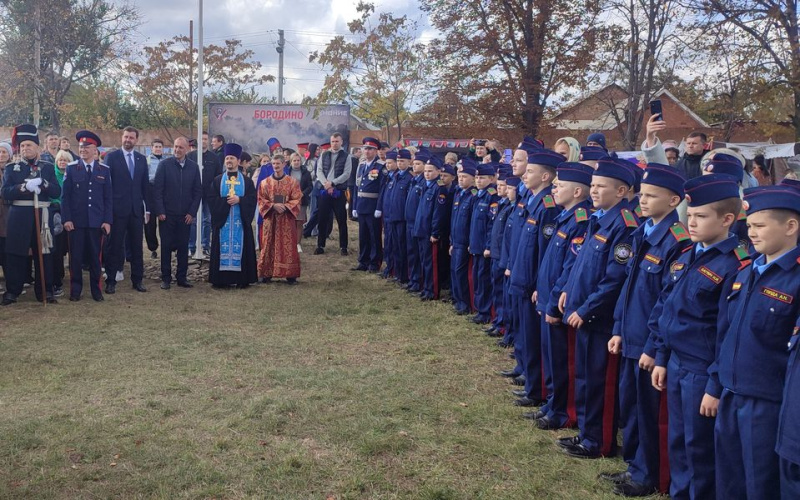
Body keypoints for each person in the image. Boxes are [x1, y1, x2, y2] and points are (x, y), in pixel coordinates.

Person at [646, 174, 747, 499]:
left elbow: (727, 334)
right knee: (678, 442)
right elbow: (667, 308)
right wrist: (662, 356)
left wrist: (714, 385)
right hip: (677, 363)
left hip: (702, 371)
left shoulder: (735, 265)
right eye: (689, 215)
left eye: (701, 216)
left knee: (699, 449)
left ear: (727, 220)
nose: (691, 222)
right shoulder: (688, 253)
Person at [603, 163, 689, 496]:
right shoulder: (643, 232)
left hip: (648, 342)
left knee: (649, 412)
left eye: (652, 196)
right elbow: (629, 289)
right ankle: (634, 465)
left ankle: (647, 474)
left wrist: (654, 347)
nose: (643, 200)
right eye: (642, 194)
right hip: (630, 334)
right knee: (632, 406)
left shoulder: (676, 242)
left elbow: (665, 302)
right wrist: (618, 328)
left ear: (673, 201)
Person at [712, 186, 800, 499]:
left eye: (760, 226)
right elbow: (725, 333)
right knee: (729, 478)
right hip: (730, 390)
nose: (751, 232)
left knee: (759, 483)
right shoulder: (746, 270)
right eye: (749, 225)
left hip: (766, 401)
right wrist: (715, 384)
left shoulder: (795, 279)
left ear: (790, 227)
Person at [558, 158, 639, 459]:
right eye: (592, 185)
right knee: (585, 379)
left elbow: (613, 279)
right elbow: (583, 265)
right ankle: (586, 433)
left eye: (600, 186)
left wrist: (586, 309)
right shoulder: (599, 218)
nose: (593, 191)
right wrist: (568, 290)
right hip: (583, 312)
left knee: (599, 383)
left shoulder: (624, 227)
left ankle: (599, 441)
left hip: (599, 319)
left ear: (621, 191)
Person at [534, 162, 593, 430]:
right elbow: (551, 261)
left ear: (578, 192)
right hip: (549, 296)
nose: (554, 189)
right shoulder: (565, 216)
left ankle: (564, 412)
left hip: (558, 302)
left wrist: (554, 303)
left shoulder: (580, 221)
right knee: (551, 357)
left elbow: (569, 269)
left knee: (562, 360)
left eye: (560, 185)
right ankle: (552, 403)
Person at [508, 150, 563, 408]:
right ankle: (529, 378)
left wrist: (538, 285)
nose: (524, 175)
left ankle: (536, 388)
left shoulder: (548, 207)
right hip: (523, 277)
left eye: (530, 171)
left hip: (532, 283)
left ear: (545, 177)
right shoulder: (533, 201)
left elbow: (544, 252)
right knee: (525, 333)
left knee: (533, 338)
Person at [1, 124, 61, 305]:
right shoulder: (12, 168)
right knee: (16, 253)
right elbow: (5, 192)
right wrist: (23, 187)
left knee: (44, 253)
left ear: (37, 147)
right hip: (19, 215)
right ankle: (13, 291)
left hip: (42, 215)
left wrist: (44, 184)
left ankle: (45, 290)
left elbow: (57, 191)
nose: (25, 148)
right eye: (22, 146)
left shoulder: (47, 167)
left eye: (29, 145)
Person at [61, 130, 113, 302]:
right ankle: (75, 290)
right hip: (76, 222)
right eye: (81, 147)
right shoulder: (71, 168)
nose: (82, 150)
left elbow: (108, 198)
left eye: (86, 147)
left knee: (95, 259)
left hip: (96, 222)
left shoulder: (104, 170)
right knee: (75, 258)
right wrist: (67, 219)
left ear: (95, 149)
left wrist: (107, 221)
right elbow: (65, 197)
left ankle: (96, 290)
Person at [103, 126, 150, 294]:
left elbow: (145, 186)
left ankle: (137, 281)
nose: (128, 140)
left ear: (136, 140)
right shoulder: (112, 157)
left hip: (136, 211)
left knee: (137, 247)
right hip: (117, 211)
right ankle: (111, 280)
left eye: (131, 137)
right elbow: (106, 186)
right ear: (121, 138)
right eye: (126, 137)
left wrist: (148, 210)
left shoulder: (141, 159)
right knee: (114, 247)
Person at [153, 137, 202, 289]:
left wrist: (192, 212)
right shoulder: (164, 165)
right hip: (167, 215)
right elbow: (157, 190)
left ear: (186, 149)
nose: (177, 150)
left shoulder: (193, 167)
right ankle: (166, 278)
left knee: (183, 248)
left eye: (181, 147)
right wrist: (160, 211)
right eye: (175, 147)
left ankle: (182, 277)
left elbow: (197, 192)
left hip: (185, 216)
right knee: (166, 247)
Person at [207, 143, 258, 288]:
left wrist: (240, 200)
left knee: (242, 247)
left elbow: (252, 199)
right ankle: (221, 281)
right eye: (227, 158)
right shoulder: (217, 180)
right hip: (223, 223)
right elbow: (211, 199)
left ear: (238, 161)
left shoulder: (247, 182)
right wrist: (225, 202)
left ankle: (242, 279)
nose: (229, 161)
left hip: (240, 223)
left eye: (232, 158)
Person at [258, 154, 302, 283]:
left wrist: (285, 206)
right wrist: (272, 205)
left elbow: (297, 198)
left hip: (286, 218)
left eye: (278, 163)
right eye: (273, 164)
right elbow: (261, 199)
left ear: (284, 164)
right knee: (268, 244)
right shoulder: (265, 183)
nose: (276, 166)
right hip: (270, 219)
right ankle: (266, 273)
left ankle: (290, 275)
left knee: (288, 245)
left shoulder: (292, 182)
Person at [414, 154, 449, 301]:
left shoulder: (439, 188)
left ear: (438, 171)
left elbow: (438, 214)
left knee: (431, 263)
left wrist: (435, 232)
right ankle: (425, 287)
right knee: (424, 261)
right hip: (421, 229)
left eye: (430, 171)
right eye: (426, 171)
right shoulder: (425, 185)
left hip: (430, 232)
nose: (427, 174)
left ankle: (432, 291)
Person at [314, 133, 352, 255]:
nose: (334, 143)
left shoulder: (346, 156)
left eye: (336, 141)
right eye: (332, 141)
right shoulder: (324, 154)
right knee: (322, 219)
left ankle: (343, 247)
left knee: (341, 220)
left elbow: (346, 174)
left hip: (339, 192)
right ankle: (320, 245)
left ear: (341, 142)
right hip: (325, 190)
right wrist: (326, 183)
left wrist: (333, 183)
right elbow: (319, 171)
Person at [450, 158, 478, 315]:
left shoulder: (473, 196)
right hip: (456, 239)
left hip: (465, 241)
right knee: (454, 270)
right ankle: (457, 299)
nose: (461, 179)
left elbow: (472, 223)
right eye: (459, 176)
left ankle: (465, 303)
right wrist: (452, 241)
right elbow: (454, 219)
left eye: (464, 177)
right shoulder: (458, 194)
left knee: (461, 272)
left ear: (473, 179)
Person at [352, 137, 385, 272]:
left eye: (370, 149)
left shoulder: (380, 166)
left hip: (373, 205)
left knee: (374, 236)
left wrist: (379, 207)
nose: (367, 151)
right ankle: (363, 261)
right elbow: (356, 187)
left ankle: (374, 262)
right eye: (365, 148)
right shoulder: (361, 166)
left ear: (376, 151)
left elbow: (382, 189)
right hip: (361, 204)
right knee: (363, 235)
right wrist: (354, 206)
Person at [188, 131, 223, 257]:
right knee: (192, 220)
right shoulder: (190, 156)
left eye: (205, 139)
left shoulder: (214, 157)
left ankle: (205, 245)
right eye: (201, 138)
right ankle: (191, 246)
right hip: (193, 194)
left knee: (207, 220)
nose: (203, 141)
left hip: (209, 194)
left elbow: (218, 175)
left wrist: (215, 191)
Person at [642, 113, 707, 180]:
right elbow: (660, 170)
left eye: (694, 143)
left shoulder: (710, 163)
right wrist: (650, 136)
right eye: (688, 143)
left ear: (704, 145)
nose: (690, 146)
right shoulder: (678, 165)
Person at [380, 150, 412, 283]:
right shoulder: (395, 176)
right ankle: (396, 273)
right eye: (398, 161)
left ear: (409, 162)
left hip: (401, 219)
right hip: (392, 217)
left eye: (402, 161)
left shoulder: (409, 178)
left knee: (401, 247)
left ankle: (403, 276)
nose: (399, 163)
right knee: (394, 247)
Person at [403, 148, 429, 293]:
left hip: (417, 223)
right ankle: (413, 279)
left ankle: (419, 281)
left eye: (418, 164)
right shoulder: (414, 180)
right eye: (414, 163)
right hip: (409, 221)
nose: (414, 166)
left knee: (419, 255)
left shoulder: (425, 182)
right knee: (411, 253)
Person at [51, 150, 73, 297]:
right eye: (60, 160)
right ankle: (57, 278)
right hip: (56, 215)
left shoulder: (73, 175)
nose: (62, 162)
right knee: (57, 249)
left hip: (71, 215)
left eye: (65, 160)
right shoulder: (52, 175)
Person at [145, 138, 165, 259]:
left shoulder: (166, 161)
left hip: (163, 192)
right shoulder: (146, 160)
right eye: (155, 146)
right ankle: (153, 248)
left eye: (160, 147)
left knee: (164, 220)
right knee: (150, 223)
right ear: (151, 148)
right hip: (151, 191)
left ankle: (167, 245)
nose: (158, 149)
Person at [288, 152, 312, 253]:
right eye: (294, 160)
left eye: (298, 160)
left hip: (301, 200)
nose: (296, 162)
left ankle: (298, 243)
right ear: (291, 161)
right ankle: (289, 242)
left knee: (299, 222)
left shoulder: (306, 172)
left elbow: (310, 186)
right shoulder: (286, 171)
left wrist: (303, 193)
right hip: (288, 200)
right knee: (290, 222)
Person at [0, 142, 13, 289]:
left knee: (7, 250)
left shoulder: (13, 169)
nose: (1, 155)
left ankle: (11, 282)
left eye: (4, 152)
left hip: (9, 213)